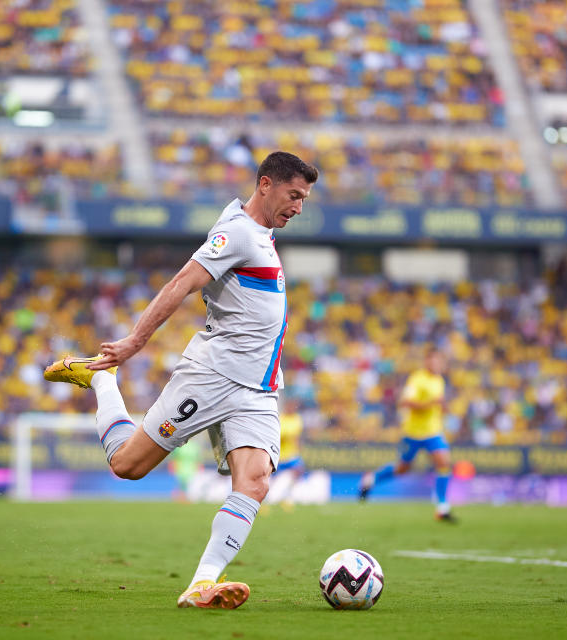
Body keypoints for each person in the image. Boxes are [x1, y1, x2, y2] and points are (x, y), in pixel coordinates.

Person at [44, 151, 318, 609]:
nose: (299, 207)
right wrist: (135, 341)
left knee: (254, 482)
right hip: (212, 377)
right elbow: (182, 282)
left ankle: (201, 584)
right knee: (127, 466)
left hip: (258, 388)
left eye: (305, 199)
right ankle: (102, 381)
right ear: (266, 184)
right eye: (294, 195)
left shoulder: (260, 233)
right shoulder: (237, 233)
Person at [359, 349, 456, 522]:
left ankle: (442, 507)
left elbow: (438, 405)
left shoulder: (439, 380)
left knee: (444, 462)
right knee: (402, 468)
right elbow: (405, 402)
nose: (437, 365)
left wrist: (443, 408)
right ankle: (371, 479)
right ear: (427, 362)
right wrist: (430, 403)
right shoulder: (417, 379)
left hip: (433, 431)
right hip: (412, 432)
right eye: (434, 361)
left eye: (440, 362)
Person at [266, 398, 305, 505]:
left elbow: (297, 436)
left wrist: (298, 448)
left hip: (291, 455)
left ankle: (289, 496)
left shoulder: (297, 419)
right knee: (271, 478)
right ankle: (267, 499)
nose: (292, 408)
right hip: (279, 456)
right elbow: (276, 437)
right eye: (290, 406)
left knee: (298, 470)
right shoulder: (280, 419)